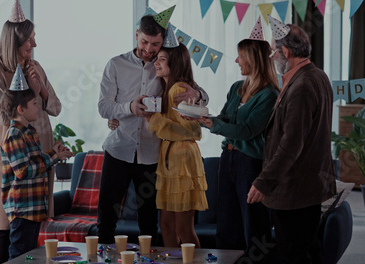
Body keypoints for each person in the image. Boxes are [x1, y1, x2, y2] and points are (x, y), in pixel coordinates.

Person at [97, 13, 208, 244]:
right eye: (145, 42)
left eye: (155, 44)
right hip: (119, 148)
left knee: (148, 220)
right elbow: (104, 107)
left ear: (162, 41)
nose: (149, 49)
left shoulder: (166, 65)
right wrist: (129, 107)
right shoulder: (116, 64)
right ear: (137, 35)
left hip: (151, 153)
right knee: (107, 216)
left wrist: (197, 94)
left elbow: (199, 95)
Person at [247, 16, 336, 264]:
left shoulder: (303, 85)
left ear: (285, 51)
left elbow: (291, 143)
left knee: (293, 254)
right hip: (308, 185)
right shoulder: (317, 75)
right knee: (307, 249)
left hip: (296, 188)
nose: (273, 58)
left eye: (274, 53)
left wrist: (263, 182)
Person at [0, 1, 61, 262]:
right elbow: (4, 117)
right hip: (12, 159)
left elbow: (56, 107)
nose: (34, 45)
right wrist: (25, 88)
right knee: (4, 227)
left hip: (39, 155)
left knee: (28, 227)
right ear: (15, 40)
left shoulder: (36, 67)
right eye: (30, 39)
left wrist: (40, 90)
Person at [196, 23, 280, 261]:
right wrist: (200, 117)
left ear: (253, 59)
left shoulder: (270, 95)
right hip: (228, 159)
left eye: (240, 57)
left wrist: (216, 125)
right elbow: (224, 117)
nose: (236, 61)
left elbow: (246, 131)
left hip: (250, 163)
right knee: (227, 221)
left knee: (253, 222)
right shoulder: (236, 88)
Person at [0, 80, 73, 260]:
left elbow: (35, 162)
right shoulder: (14, 134)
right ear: (20, 109)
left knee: (28, 254)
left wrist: (54, 153)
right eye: (34, 104)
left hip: (33, 207)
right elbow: (23, 171)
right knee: (19, 254)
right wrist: (52, 156)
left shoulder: (29, 131)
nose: (38, 107)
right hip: (22, 208)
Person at [144, 42, 208, 247]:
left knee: (182, 228)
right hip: (170, 159)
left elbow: (194, 131)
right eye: (157, 59)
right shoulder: (168, 89)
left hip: (182, 161)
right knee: (167, 225)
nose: (156, 63)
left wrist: (154, 120)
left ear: (176, 63)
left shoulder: (179, 90)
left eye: (162, 59)